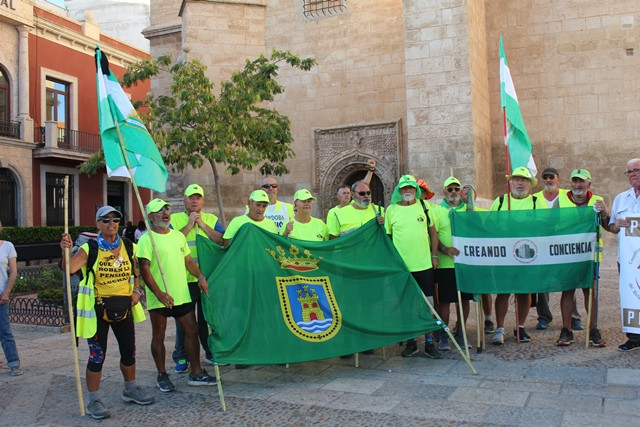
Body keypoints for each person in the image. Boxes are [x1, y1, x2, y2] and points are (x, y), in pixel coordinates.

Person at [60, 206, 152, 419]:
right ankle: (94, 400)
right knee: (97, 356)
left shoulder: (129, 246)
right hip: (97, 310)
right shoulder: (89, 248)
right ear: (98, 224)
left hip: (124, 308)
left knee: (129, 351)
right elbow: (69, 269)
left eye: (116, 219)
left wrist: (137, 290)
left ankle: (130, 389)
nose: (112, 223)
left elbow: (134, 272)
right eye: (106, 219)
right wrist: (64, 250)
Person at [137, 199, 217, 392]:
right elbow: (144, 270)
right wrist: (159, 293)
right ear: (150, 216)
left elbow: (188, 260)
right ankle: (162, 374)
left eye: (167, 209)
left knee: (192, 329)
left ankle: (196, 372)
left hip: (181, 294)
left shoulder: (178, 236)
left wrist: (200, 276)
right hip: (160, 297)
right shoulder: (147, 239)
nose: (165, 213)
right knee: (159, 334)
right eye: (159, 210)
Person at [384, 175, 441, 359]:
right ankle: (411, 342)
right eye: (404, 188)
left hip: (424, 265)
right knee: (406, 305)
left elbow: (433, 233)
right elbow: (388, 238)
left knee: (428, 306)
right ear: (399, 191)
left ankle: (430, 342)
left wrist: (434, 255)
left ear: (415, 190)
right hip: (403, 268)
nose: (407, 191)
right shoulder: (391, 210)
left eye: (410, 188)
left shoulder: (424, 207)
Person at [170, 184, 225, 373]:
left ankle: (210, 352)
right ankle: (181, 356)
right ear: (185, 200)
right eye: (191, 197)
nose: (195, 201)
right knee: (184, 321)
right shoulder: (175, 219)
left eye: (198, 198)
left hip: (206, 279)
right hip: (182, 279)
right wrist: (189, 225)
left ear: (202, 201)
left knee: (205, 319)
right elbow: (170, 242)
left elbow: (221, 240)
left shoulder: (211, 218)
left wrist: (202, 225)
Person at [490, 167, 546, 345]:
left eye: (524, 180)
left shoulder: (537, 201)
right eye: (516, 179)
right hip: (505, 256)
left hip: (528, 255)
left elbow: (545, 225)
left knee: (524, 292)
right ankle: (499, 328)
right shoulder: (500, 202)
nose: (519, 183)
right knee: (503, 292)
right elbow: (488, 226)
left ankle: (520, 326)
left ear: (529, 184)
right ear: (510, 182)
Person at [555, 169, 607, 347]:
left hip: (590, 254)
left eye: (581, 181)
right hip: (567, 253)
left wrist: (604, 212)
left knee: (589, 291)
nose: (578, 185)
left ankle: (593, 329)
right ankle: (566, 330)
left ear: (589, 184)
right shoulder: (560, 200)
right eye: (575, 181)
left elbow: (607, 225)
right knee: (568, 291)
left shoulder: (597, 200)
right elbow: (551, 225)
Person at [532, 168, 582, 331]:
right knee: (542, 284)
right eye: (545, 177)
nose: (548, 180)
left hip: (564, 246)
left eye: (551, 177)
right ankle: (544, 317)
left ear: (558, 179)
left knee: (568, 283)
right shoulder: (534, 198)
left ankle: (574, 318)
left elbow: (578, 216)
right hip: (542, 247)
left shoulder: (569, 195)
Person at [434, 177, 472, 350]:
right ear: (444, 192)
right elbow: (431, 236)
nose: (454, 192)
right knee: (445, 301)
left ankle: (461, 331)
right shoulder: (436, 211)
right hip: (445, 264)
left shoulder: (469, 210)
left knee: (463, 299)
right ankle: (444, 334)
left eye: (457, 189)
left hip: (464, 264)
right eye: (450, 189)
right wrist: (444, 249)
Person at [606, 158, 640, 351]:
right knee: (631, 294)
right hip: (627, 261)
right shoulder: (621, 198)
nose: (632, 174)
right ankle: (634, 337)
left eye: (636, 170)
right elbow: (611, 227)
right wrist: (616, 225)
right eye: (629, 172)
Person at [460, 184, 495, 334]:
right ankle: (462, 324)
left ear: (475, 195)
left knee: (485, 290)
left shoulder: (484, 212)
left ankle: (488, 319)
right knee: (465, 293)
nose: (467, 196)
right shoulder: (457, 213)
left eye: (470, 193)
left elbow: (490, 231)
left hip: (482, 257)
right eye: (464, 193)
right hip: (465, 258)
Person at [0, 221, 23, 377]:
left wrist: (7, 292)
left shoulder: (8, 246)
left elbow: (13, 271)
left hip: (1, 294)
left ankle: (13, 363)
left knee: (5, 330)